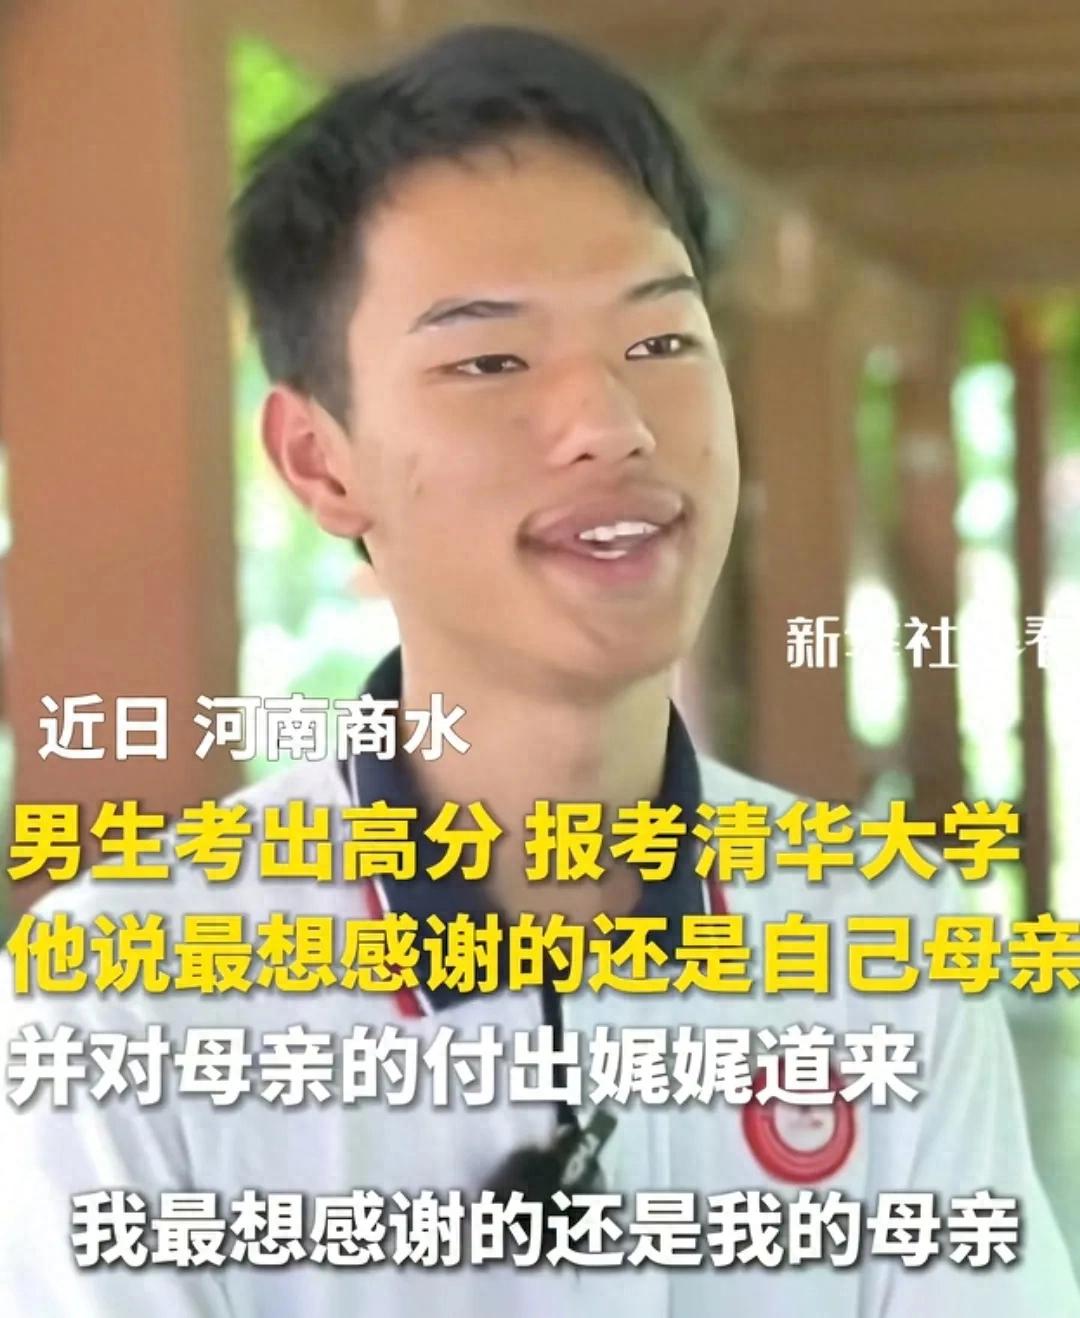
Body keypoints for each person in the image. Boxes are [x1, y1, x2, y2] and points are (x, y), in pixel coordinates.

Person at [2, 23, 1077, 1317]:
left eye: (662, 343)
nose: (611, 428)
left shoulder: (885, 942)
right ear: (319, 461)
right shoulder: (126, 997)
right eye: (490, 360)